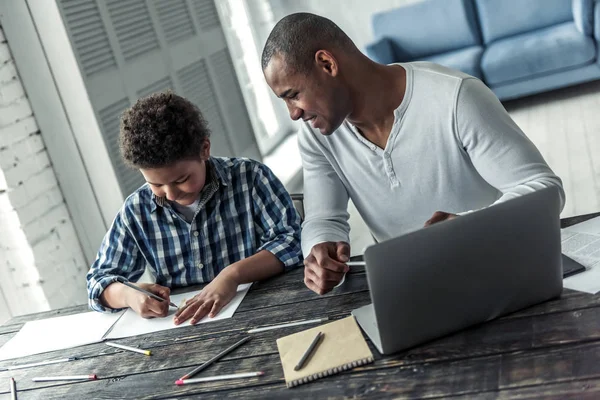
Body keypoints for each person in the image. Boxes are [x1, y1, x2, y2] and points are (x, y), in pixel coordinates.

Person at [261, 13, 565, 295]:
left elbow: (546, 189)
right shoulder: (316, 136)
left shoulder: (455, 97)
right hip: (413, 291)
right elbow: (322, 218)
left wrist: (471, 228)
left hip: (496, 268)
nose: (293, 113)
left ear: (327, 63)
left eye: (293, 95)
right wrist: (319, 250)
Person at [86, 91, 302, 324]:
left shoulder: (250, 178)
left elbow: (293, 241)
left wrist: (233, 275)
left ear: (204, 149)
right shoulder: (136, 211)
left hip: (264, 311)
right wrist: (128, 295)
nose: (171, 193)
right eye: (156, 184)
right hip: (187, 329)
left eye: (181, 180)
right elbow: (98, 282)